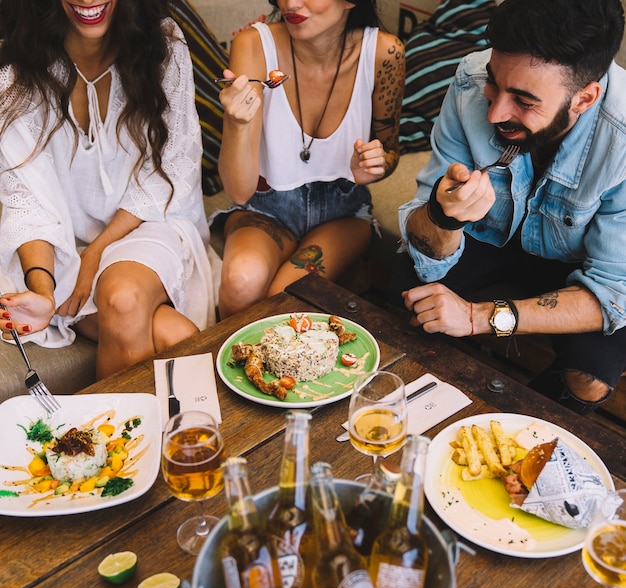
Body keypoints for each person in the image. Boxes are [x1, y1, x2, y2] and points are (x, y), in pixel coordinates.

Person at [395, 0, 626, 415]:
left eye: (523, 100)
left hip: (579, 266)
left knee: (589, 379)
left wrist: (477, 317)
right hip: (485, 237)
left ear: (584, 98)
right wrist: (444, 215)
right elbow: (421, 227)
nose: (496, 111)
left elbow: (612, 292)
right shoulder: (468, 80)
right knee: (411, 299)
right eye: (494, 83)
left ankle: (508, 440)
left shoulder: (623, 140)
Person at [0, 0, 220, 380]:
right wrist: (44, 291)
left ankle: (105, 439)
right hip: (63, 250)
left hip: (152, 221)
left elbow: (172, 169)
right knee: (176, 336)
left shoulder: (163, 45)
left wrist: (96, 255)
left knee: (122, 296)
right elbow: (27, 200)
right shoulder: (17, 72)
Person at [214, 0, 405, 318]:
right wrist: (236, 123)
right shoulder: (254, 45)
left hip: (343, 213)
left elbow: (390, 150)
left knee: (286, 300)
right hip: (265, 207)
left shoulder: (384, 52)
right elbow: (237, 192)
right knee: (240, 282)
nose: (291, 3)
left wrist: (377, 163)